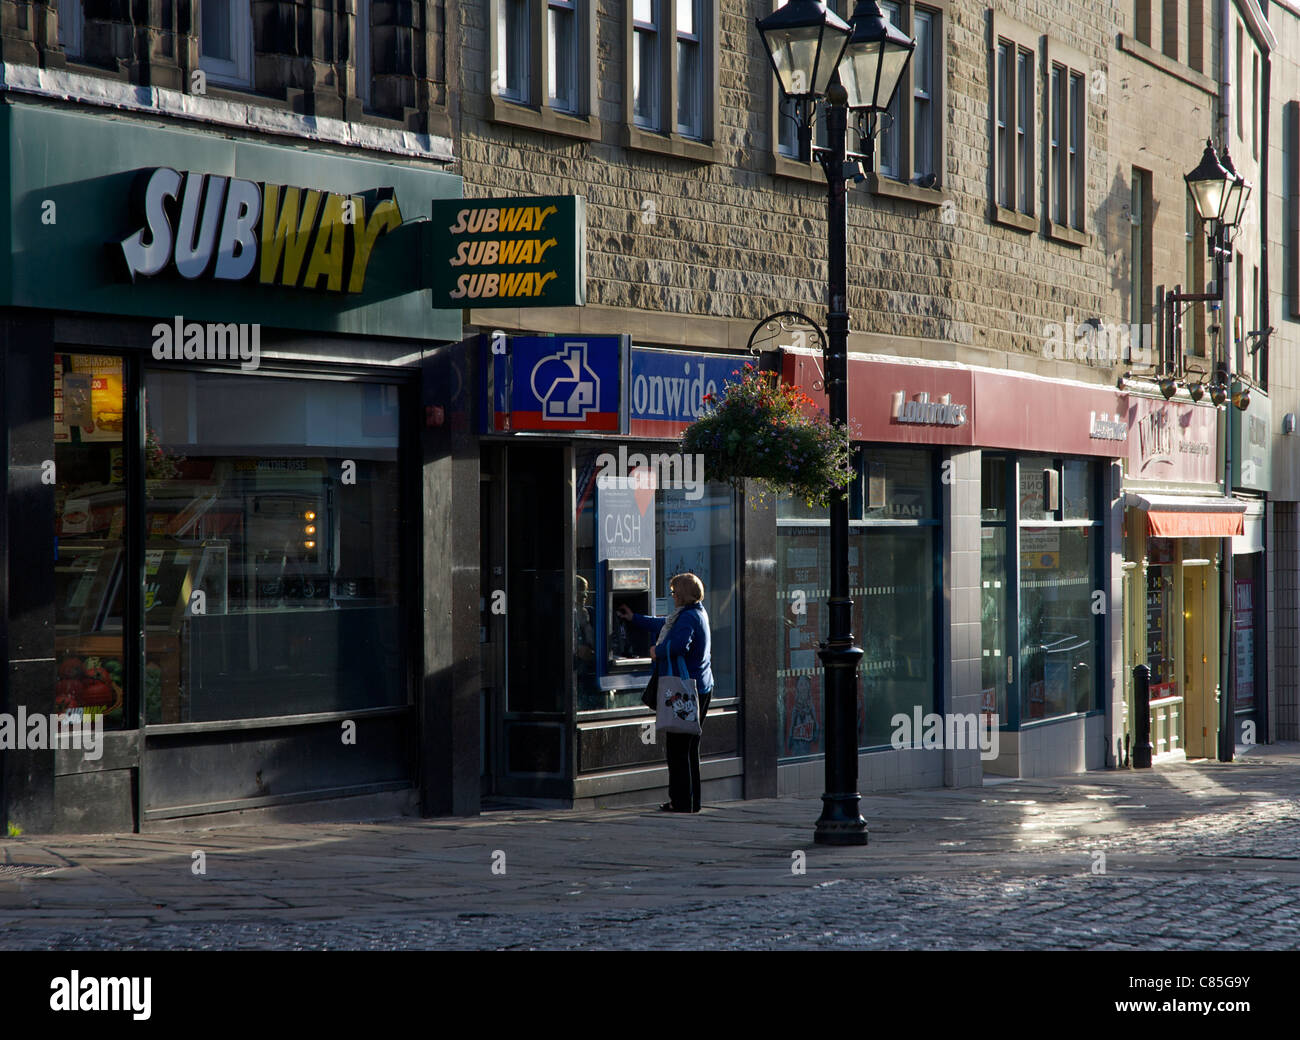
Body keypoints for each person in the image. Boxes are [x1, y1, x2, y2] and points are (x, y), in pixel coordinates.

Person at [618, 573, 713, 813]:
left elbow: (680, 645)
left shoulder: (689, 617)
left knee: (678, 749)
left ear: (682, 594)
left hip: (685, 692)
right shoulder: (693, 613)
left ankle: (680, 802)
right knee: (690, 749)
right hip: (699, 688)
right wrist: (635, 618)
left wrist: (656, 651)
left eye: (673, 592)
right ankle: (691, 802)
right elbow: (664, 624)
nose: (672, 596)